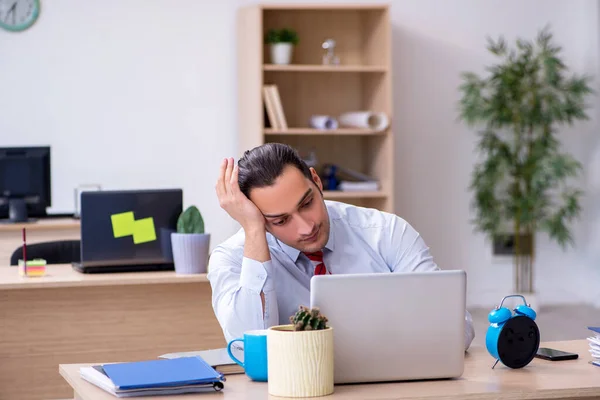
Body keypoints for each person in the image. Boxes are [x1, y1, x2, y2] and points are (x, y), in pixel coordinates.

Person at [208, 143, 475, 350]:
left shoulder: (386, 232)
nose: (305, 227)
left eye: (306, 204)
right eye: (281, 220)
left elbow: (457, 330)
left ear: (317, 180)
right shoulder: (230, 258)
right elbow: (249, 347)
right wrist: (254, 231)